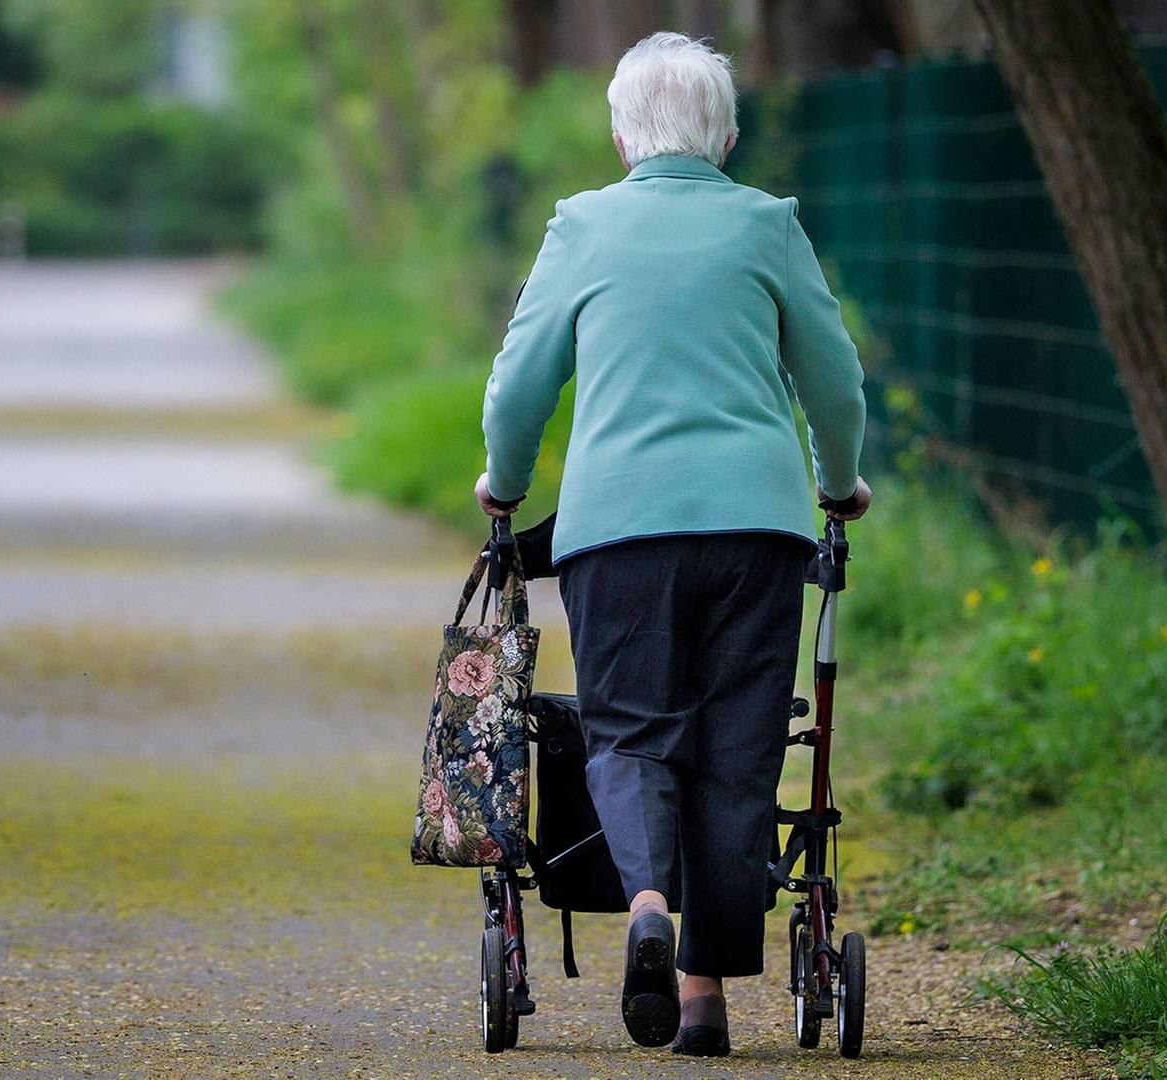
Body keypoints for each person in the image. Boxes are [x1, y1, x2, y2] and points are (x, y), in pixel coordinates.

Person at [475, 32, 870, 1058]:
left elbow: (520, 384)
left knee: (633, 736)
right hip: (758, 530)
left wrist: (504, 487)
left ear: (620, 137)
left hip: (620, 532)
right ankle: (702, 1000)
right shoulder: (767, 225)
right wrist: (839, 483)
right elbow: (833, 380)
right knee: (737, 749)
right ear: (728, 137)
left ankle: (645, 899)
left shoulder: (582, 227)